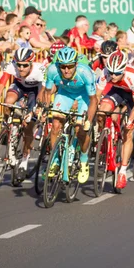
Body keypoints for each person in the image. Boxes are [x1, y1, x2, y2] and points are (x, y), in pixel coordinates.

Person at [42, 47, 98, 183]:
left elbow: (93, 100)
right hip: (64, 94)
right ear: (58, 65)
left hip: (83, 96)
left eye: (70, 66)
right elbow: (48, 92)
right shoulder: (52, 70)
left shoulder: (85, 73)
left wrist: (88, 121)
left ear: (76, 64)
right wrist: (44, 109)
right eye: (63, 67)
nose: (66, 70)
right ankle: (55, 160)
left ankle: (84, 161)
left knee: (80, 129)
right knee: (55, 125)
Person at [96, 50, 134, 189]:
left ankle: (122, 171)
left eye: (117, 73)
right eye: (110, 72)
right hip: (117, 91)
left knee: (128, 132)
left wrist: (130, 122)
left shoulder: (132, 77)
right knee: (102, 111)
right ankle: (104, 137)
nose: (112, 75)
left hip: (132, 96)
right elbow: (97, 95)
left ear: (123, 69)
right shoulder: (107, 72)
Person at [0, 48, 46, 179]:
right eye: (19, 65)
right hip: (19, 87)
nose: (21, 68)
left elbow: (42, 92)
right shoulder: (11, 66)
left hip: (35, 92)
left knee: (28, 125)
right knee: (8, 102)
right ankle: (8, 126)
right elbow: (1, 86)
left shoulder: (39, 70)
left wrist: (37, 108)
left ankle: (24, 159)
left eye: (25, 65)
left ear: (31, 64)